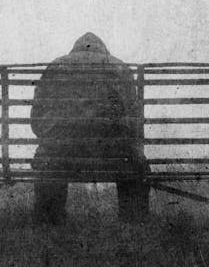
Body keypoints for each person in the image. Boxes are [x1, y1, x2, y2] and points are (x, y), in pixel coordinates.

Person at [30, 32, 149, 224]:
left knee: (47, 159)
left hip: (60, 158)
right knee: (135, 162)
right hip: (114, 157)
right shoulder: (120, 67)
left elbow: (37, 120)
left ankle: (49, 222)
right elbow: (135, 122)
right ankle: (134, 222)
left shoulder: (56, 66)